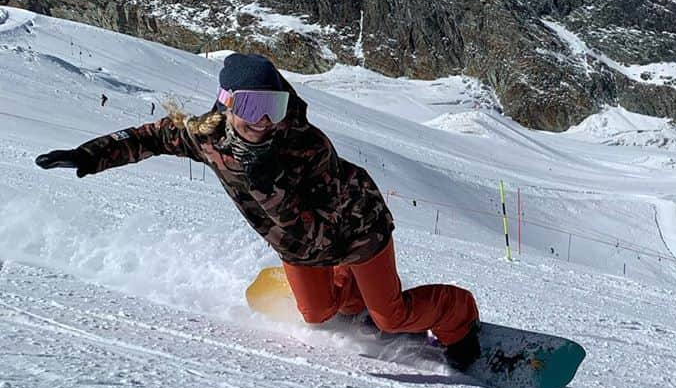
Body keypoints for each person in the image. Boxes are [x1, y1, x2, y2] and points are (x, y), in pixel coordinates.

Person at [35, 53, 482, 369]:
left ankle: (458, 317)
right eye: (252, 106)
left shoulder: (303, 146)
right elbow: (150, 137)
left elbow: (315, 231)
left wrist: (273, 187)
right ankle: (350, 293)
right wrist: (90, 155)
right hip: (299, 247)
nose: (265, 121)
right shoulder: (207, 138)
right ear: (226, 104)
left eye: (274, 107)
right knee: (319, 315)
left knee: (392, 317)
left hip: (357, 229)